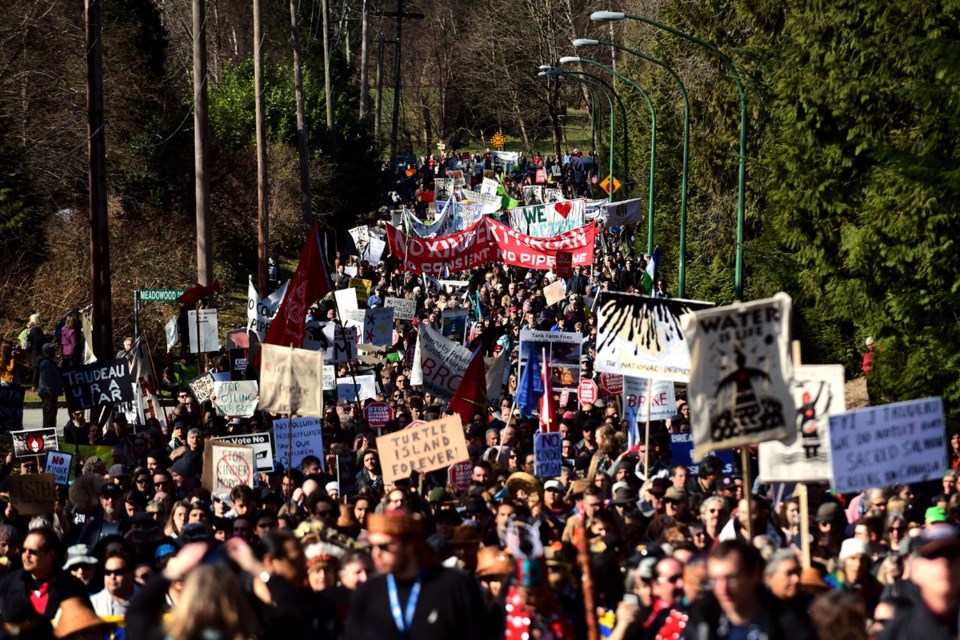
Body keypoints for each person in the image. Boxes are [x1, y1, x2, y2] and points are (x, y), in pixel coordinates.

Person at [345, 509, 491, 639]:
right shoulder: (367, 592)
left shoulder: (456, 586)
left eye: (384, 546)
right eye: (372, 546)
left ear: (409, 545)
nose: (376, 553)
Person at [684, 539, 814, 640]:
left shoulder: (789, 623)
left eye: (732, 578)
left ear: (754, 576)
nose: (722, 588)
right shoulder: (702, 621)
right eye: (715, 579)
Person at [0, 528, 90, 634]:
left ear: (50, 554)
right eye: (24, 550)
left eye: (32, 551)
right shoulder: (8, 583)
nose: (26, 555)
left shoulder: (72, 587)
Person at [879, 523, 960, 639]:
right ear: (915, 568)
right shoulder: (896, 632)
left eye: (951, 554)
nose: (943, 562)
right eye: (932, 555)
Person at [90, 550, 136, 617]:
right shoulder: (92, 604)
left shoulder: (149, 601)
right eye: (107, 572)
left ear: (132, 574)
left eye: (118, 572)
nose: (112, 577)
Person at [33, 343, 62, 430]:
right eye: (52, 349)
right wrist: (51, 392)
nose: (54, 351)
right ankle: (47, 433)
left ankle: (51, 432)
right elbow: (46, 380)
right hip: (48, 394)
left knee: (52, 415)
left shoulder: (51, 362)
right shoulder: (45, 363)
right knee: (49, 415)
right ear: (47, 351)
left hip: (51, 393)